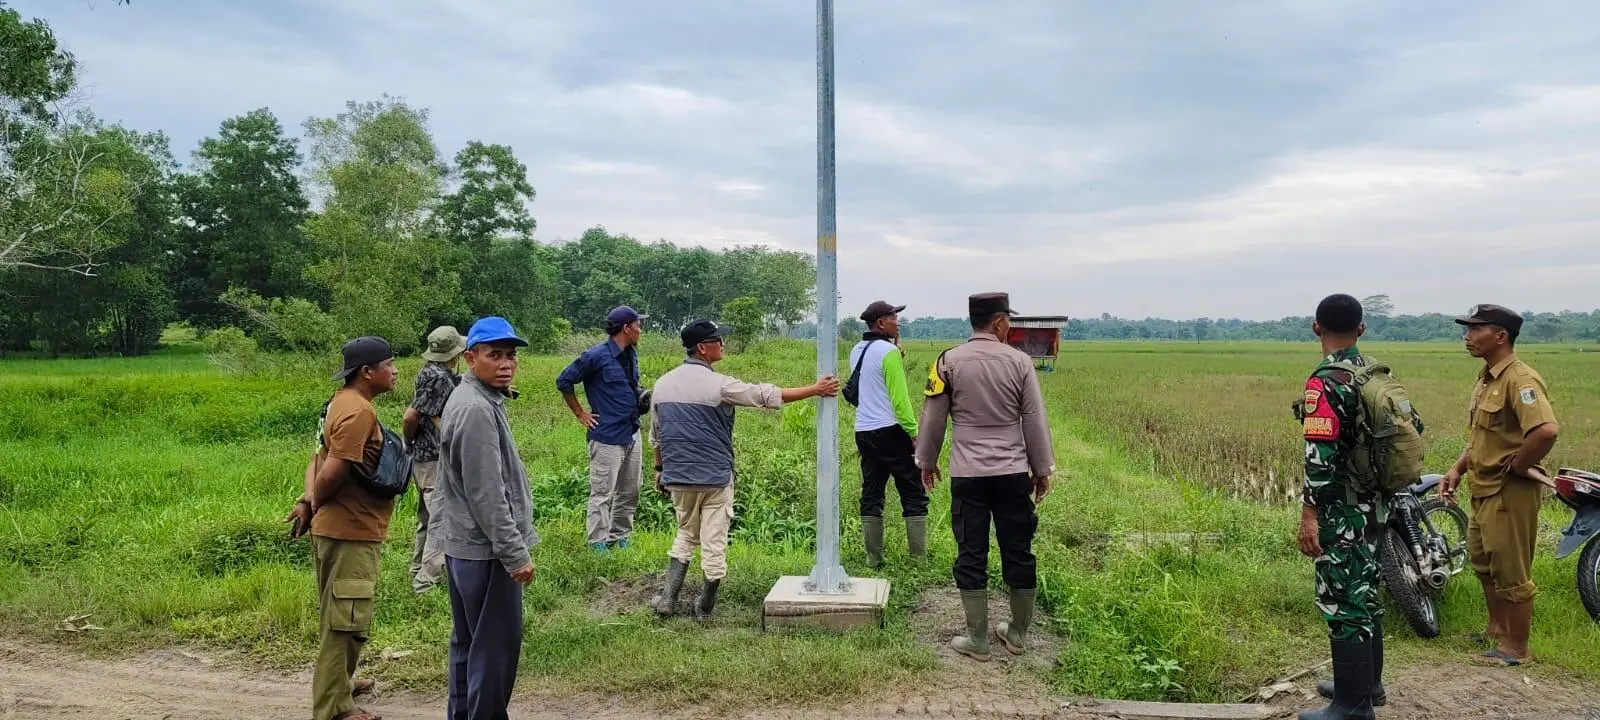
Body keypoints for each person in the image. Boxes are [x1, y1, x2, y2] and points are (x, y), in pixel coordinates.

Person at [646, 319, 838, 620]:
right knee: (714, 541)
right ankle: (705, 606)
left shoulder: (662, 384)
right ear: (702, 348)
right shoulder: (720, 384)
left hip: (678, 476)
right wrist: (815, 389)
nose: (722, 344)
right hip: (715, 477)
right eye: (717, 340)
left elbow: (656, 435)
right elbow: (765, 395)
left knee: (685, 534)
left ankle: (668, 599)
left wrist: (659, 468)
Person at [916, 292, 1054, 662]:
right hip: (1012, 473)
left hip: (969, 474)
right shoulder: (1020, 363)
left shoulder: (947, 361)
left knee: (971, 551)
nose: (1009, 325)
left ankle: (977, 639)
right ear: (998, 323)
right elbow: (1034, 420)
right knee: (1018, 549)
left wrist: (926, 461)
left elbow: (933, 418)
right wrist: (1042, 470)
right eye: (1008, 320)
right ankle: (1018, 634)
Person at [285, 336, 399, 720]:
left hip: (339, 528)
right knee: (345, 620)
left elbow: (315, 459)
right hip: (350, 530)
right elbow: (332, 469)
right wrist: (314, 501)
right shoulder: (359, 412)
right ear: (367, 372)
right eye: (389, 364)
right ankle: (334, 709)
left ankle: (340, 684)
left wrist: (306, 501)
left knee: (341, 614)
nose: (396, 370)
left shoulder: (337, 402)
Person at [432, 316, 539, 720]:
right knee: (493, 653)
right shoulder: (476, 408)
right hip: (486, 552)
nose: (506, 363)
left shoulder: (474, 398)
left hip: (465, 547)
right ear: (470, 358)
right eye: (495, 355)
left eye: (510, 355)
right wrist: (515, 554)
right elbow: (487, 494)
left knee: (469, 645)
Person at [1440, 304, 1559, 667]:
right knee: (1484, 562)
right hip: (1483, 487)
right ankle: (1496, 631)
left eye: (1476, 330)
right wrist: (1457, 469)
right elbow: (1481, 436)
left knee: (1511, 569)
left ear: (1501, 336)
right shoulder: (1487, 378)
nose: (1468, 336)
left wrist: (1520, 465)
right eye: (1468, 330)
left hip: (1509, 492)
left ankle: (1516, 649)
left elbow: (1545, 430)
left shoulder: (1519, 380)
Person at [1294, 294, 1392, 720]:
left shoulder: (1327, 381)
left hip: (1343, 510)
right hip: (1375, 505)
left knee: (1343, 600)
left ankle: (1352, 707)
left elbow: (1320, 458)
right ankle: (1367, 685)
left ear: (1316, 327)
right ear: (1362, 329)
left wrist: (1310, 514)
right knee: (1365, 592)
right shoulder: (1370, 371)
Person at [556, 306, 649, 553]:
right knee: (602, 492)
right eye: (638, 324)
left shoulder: (631, 354)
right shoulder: (595, 356)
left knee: (630, 490)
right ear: (626, 328)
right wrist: (580, 414)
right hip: (607, 436)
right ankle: (597, 541)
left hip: (631, 431)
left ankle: (620, 536)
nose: (641, 329)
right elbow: (564, 380)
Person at [847, 300, 929, 568]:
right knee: (913, 490)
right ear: (881, 323)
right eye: (894, 317)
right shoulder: (888, 352)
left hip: (864, 430)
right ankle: (918, 560)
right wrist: (915, 434)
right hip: (891, 430)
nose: (898, 321)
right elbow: (900, 399)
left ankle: (874, 558)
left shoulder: (857, 350)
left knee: (872, 491)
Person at [402, 325, 465, 594]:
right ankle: (426, 582)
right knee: (441, 518)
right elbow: (411, 415)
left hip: (426, 458)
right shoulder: (436, 377)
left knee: (428, 517)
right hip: (432, 457)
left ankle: (418, 569)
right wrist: (408, 443)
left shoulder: (436, 373)